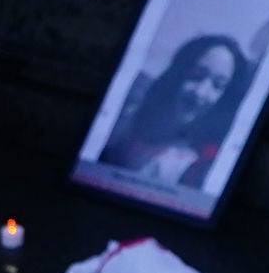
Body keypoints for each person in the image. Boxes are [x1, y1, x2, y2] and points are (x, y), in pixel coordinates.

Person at [97, 33, 254, 191]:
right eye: (196, 75)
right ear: (176, 74)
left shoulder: (197, 167)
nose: (200, 92)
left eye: (218, 85)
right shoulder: (122, 121)